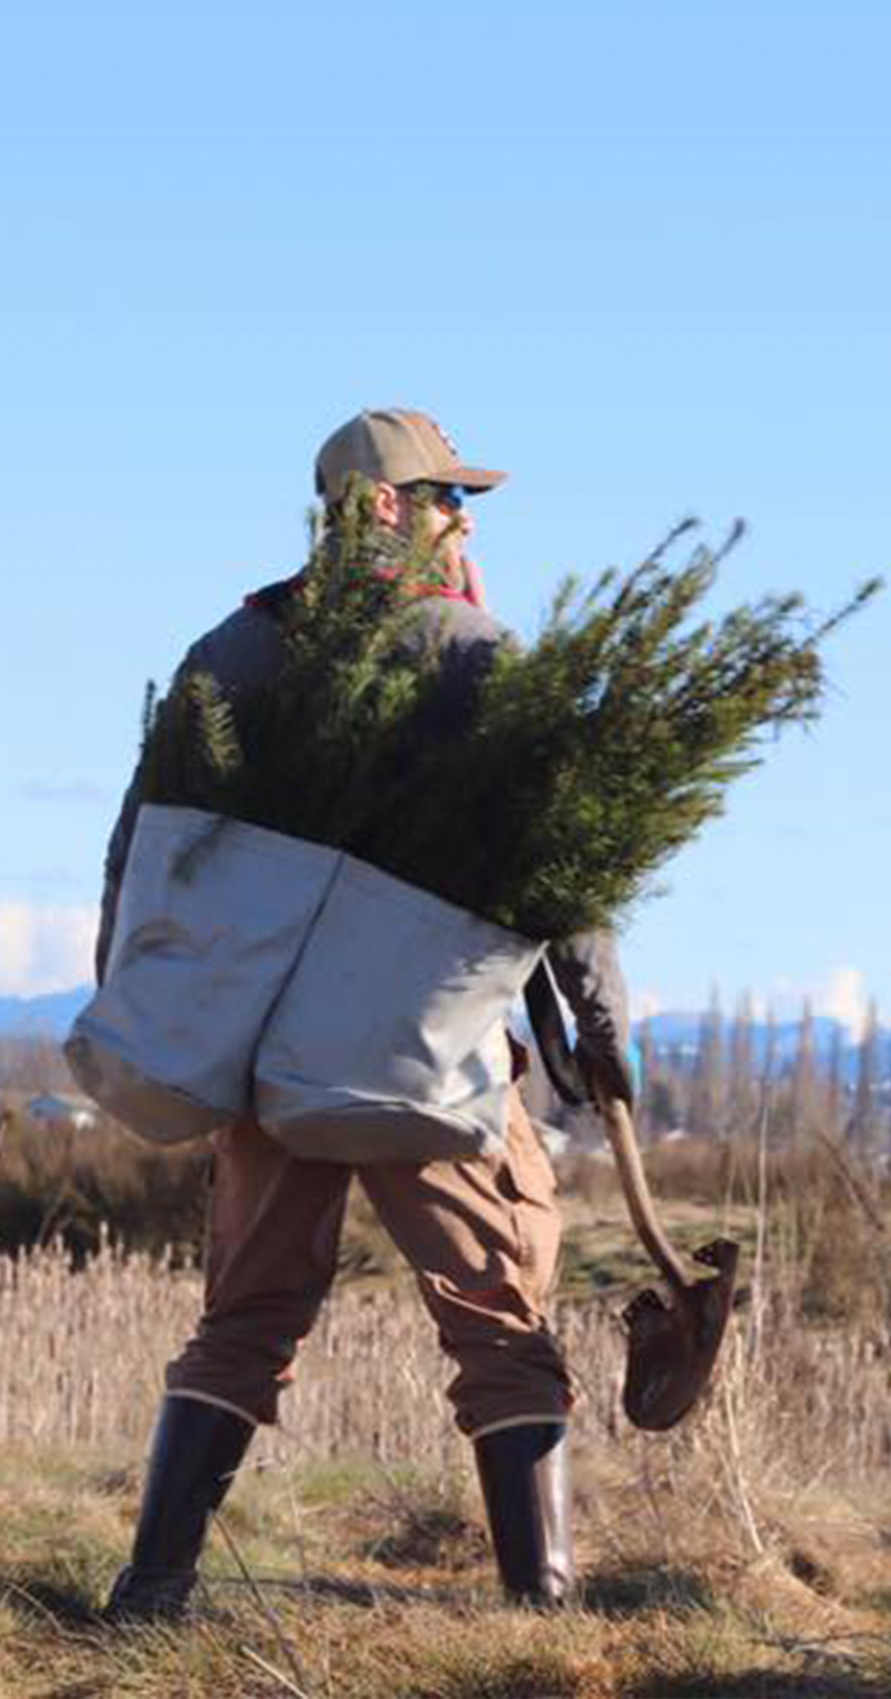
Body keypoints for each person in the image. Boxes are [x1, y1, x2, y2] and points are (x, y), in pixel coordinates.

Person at [96, 409, 633, 1618]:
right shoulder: (477, 655)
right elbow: (564, 873)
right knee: (500, 1315)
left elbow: (141, 848)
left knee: (244, 1317)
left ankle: (150, 1592)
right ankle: (541, 1613)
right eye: (449, 496)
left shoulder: (232, 651)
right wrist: (598, 1029)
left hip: (264, 1053)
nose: (465, 518)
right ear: (392, 509)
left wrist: (134, 1001)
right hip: (424, 1060)